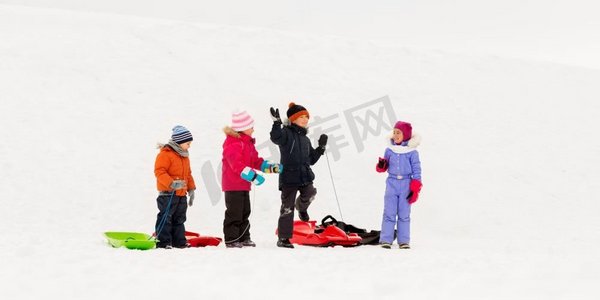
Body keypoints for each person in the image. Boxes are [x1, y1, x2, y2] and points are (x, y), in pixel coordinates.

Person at [269, 103, 328, 248]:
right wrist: (277, 124)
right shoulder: (286, 134)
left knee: (310, 193)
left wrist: (320, 148)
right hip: (289, 177)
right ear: (293, 119)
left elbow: (311, 159)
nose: (305, 119)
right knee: (287, 208)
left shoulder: (305, 139)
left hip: (305, 176)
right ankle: (283, 238)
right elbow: (275, 138)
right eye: (301, 117)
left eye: (306, 117)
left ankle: (301, 208)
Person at [221, 110, 281, 248]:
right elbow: (235, 164)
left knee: (244, 211)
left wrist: (269, 167)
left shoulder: (248, 144)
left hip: (243, 185)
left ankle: (244, 237)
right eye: (251, 126)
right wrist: (252, 175)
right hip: (233, 184)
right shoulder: (232, 142)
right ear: (242, 128)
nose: (253, 129)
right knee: (234, 212)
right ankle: (231, 239)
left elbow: (255, 161)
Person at [375, 121, 422, 249]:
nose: (395, 135)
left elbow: (417, 170)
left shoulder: (412, 152)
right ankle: (386, 239)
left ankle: (403, 241)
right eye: (394, 132)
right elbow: (384, 167)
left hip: (406, 184)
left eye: (398, 133)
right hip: (392, 183)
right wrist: (381, 165)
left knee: (404, 213)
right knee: (389, 212)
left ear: (406, 135)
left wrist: (415, 188)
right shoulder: (390, 150)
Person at [154, 125, 196, 249]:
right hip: (168, 194)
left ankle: (179, 242)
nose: (189, 146)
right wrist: (171, 183)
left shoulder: (185, 156)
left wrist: (191, 189)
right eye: (188, 143)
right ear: (179, 142)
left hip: (181, 195)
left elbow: (188, 174)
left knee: (179, 219)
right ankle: (163, 242)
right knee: (166, 217)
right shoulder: (165, 154)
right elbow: (159, 171)